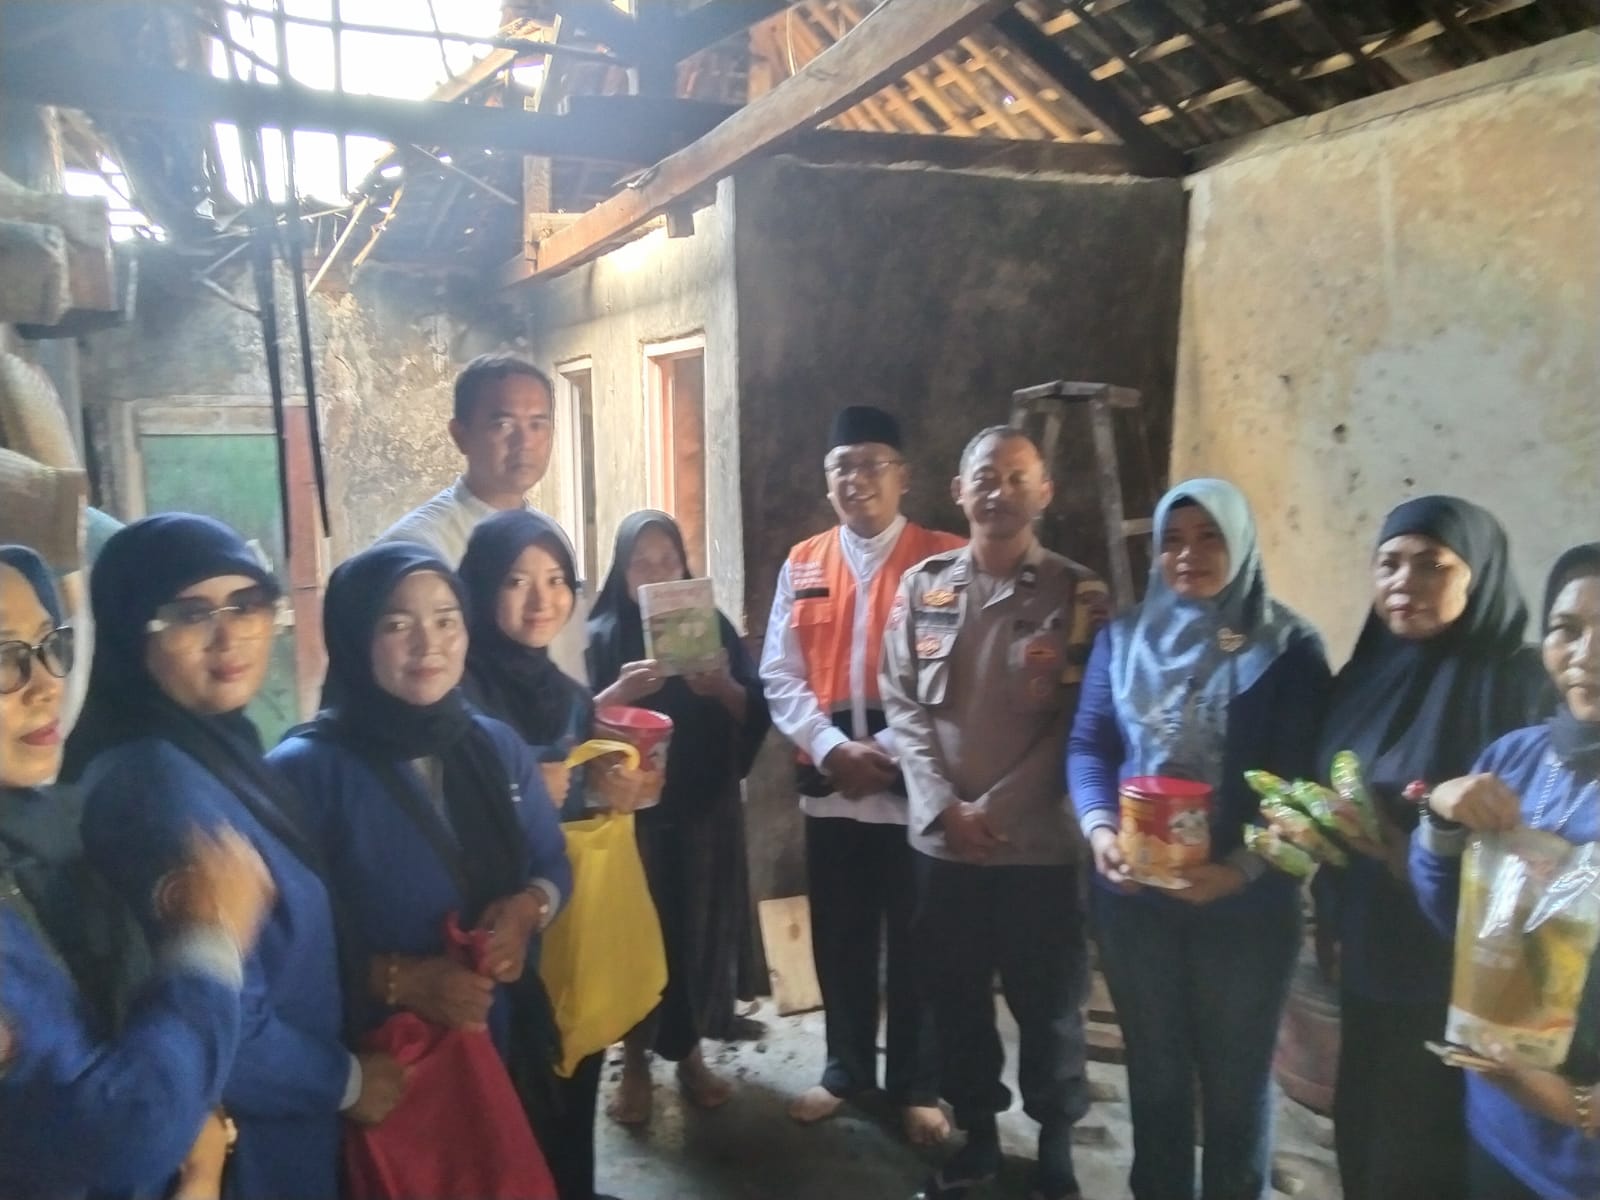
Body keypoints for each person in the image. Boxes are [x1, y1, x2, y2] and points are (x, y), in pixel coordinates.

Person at [64, 514, 402, 1199]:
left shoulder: (213, 746)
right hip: (242, 1149)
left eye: (246, 604)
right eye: (190, 614)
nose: (229, 636)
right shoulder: (151, 786)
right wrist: (347, 1082)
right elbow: (210, 1009)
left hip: (284, 1125)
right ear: (129, 632)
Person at [1067, 479, 1332, 1199]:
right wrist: (1099, 830)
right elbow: (1090, 746)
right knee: (1154, 1072)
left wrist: (1238, 872)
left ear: (1241, 542)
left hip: (1246, 909)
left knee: (1235, 1082)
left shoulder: (1288, 647)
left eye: (1210, 536)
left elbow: (1303, 785)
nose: (1189, 555)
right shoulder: (1123, 638)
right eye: (1173, 541)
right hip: (1135, 902)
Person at [0, 544, 275, 1200]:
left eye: (51, 645)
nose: (47, 684)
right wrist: (208, 947)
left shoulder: (45, 831)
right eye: (4, 658)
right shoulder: (143, 782)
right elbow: (113, 1131)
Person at [881, 426, 1107, 1200]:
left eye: (1017, 478)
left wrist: (995, 808)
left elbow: (1079, 719)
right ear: (959, 490)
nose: (999, 491)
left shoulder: (1079, 595)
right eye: (985, 476)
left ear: (1044, 493)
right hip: (944, 847)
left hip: (1038, 848)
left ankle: (1056, 1144)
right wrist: (944, 807)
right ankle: (977, 1136)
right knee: (956, 999)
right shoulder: (924, 586)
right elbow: (902, 702)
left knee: (1051, 1006)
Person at [1314, 496, 1550, 1200]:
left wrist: (1401, 847)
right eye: (1388, 564)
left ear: (1478, 574)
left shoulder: (1518, 687)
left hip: (1459, 973)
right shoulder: (1363, 675)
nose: (1403, 583)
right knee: (1360, 1130)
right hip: (1367, 947)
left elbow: (1539, 850)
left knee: (1420, 1151)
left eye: (1431, 566)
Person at [268, 543, 571, 1069]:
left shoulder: (495, 746)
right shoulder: (302, 774)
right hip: (383, 1063)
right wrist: (400, 980)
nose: (429, 645)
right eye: (397, 625)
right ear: (354, 638)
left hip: (499, 1038)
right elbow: (276, 944)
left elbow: (551, 860)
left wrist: (530, 908)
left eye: (446, 621)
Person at [759, 404, 960, 1142]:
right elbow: (779, 672)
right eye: (842, 466)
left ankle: (916, 1086)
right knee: (840, 938)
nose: (857, 479)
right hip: (832, 785)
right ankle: (843, 1069)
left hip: (915, 789)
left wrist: (890, 753)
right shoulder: (804, 562)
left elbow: (958, 675)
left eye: (873, 464)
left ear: (903, 477)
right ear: (827, 481)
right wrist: (831, 748)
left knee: (917, 942)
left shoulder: (946, 560)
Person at [458, 510, 650, 1200]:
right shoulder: (453, 691)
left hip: (567, 915)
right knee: (508, 1089)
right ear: (480, 588)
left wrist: (614, 788)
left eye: (555, 579)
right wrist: (515, 790)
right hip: (491, 925)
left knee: (575, 1062)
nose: (540, 599)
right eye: (516, 581)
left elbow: (584, 801)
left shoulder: (569, 696)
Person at [1410, 541, 1600, 1200]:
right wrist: (1441, 819)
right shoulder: (1515, 759)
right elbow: (1456, 921)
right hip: (1499, 1123)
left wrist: (1573, 1106)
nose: (1586, 655)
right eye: (1566, 629)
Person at [587, 511, 771, 1124]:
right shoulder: (602, 635)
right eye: (642, 563)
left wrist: (720, 687)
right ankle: (635, 1062)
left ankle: (689, 1054)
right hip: (631, 820)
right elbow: (568, 727)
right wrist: (617, 695)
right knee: (636, 938)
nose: (657, 572)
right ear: (621, 572)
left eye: (668, 560)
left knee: (694, 934)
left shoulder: (710, 626)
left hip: (702, 812)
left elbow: (755, 710)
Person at [378, 352, 588, 682]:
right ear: (460, 435)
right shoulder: (417, 549)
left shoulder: (549, 536)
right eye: (503, 425)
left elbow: (560, 667)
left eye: (538, 424)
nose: (524, 442)